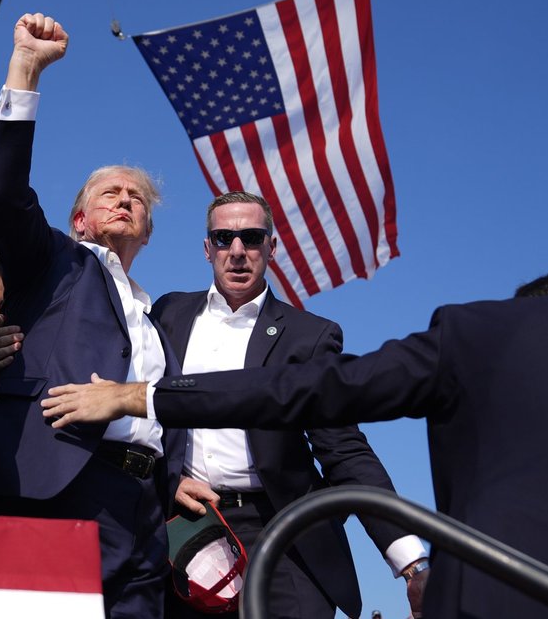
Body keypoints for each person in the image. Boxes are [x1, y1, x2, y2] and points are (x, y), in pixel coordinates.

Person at [41, 275, 548, 617]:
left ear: (521, 309)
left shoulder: (477, 333)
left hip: (506, 589)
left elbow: (316, 394)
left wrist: (140, 395)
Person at [0, 13, 183, 618]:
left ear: (149, 228)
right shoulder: (54, 264)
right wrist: (25, 70)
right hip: (61, 482)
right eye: (109, 192)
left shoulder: (152, 314)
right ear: (79, 220)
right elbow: (4, 194)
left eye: (136, 197)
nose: (125, 199)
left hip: (144, 509)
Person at [154, 191, 426, 619]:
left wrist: (412, 562)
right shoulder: (167, 315)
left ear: (272, 247)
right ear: (207, 248)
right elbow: (140, 419)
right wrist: (165, 483)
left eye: (252, 237)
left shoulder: (309, 336)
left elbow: (344, 450)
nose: (238, 251)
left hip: (284, 532)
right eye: (224, 238)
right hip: (188, 525)